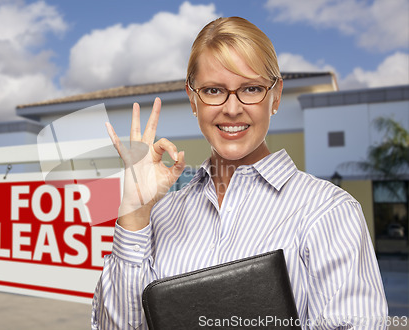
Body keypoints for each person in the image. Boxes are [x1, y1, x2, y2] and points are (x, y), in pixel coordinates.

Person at [91, 16, 388, 329]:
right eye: (214, 90)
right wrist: (134, 215)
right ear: (193, 99)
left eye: (251, 88)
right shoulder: (162, 216)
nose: (232, 108)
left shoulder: (328, 211)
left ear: (275, 96)